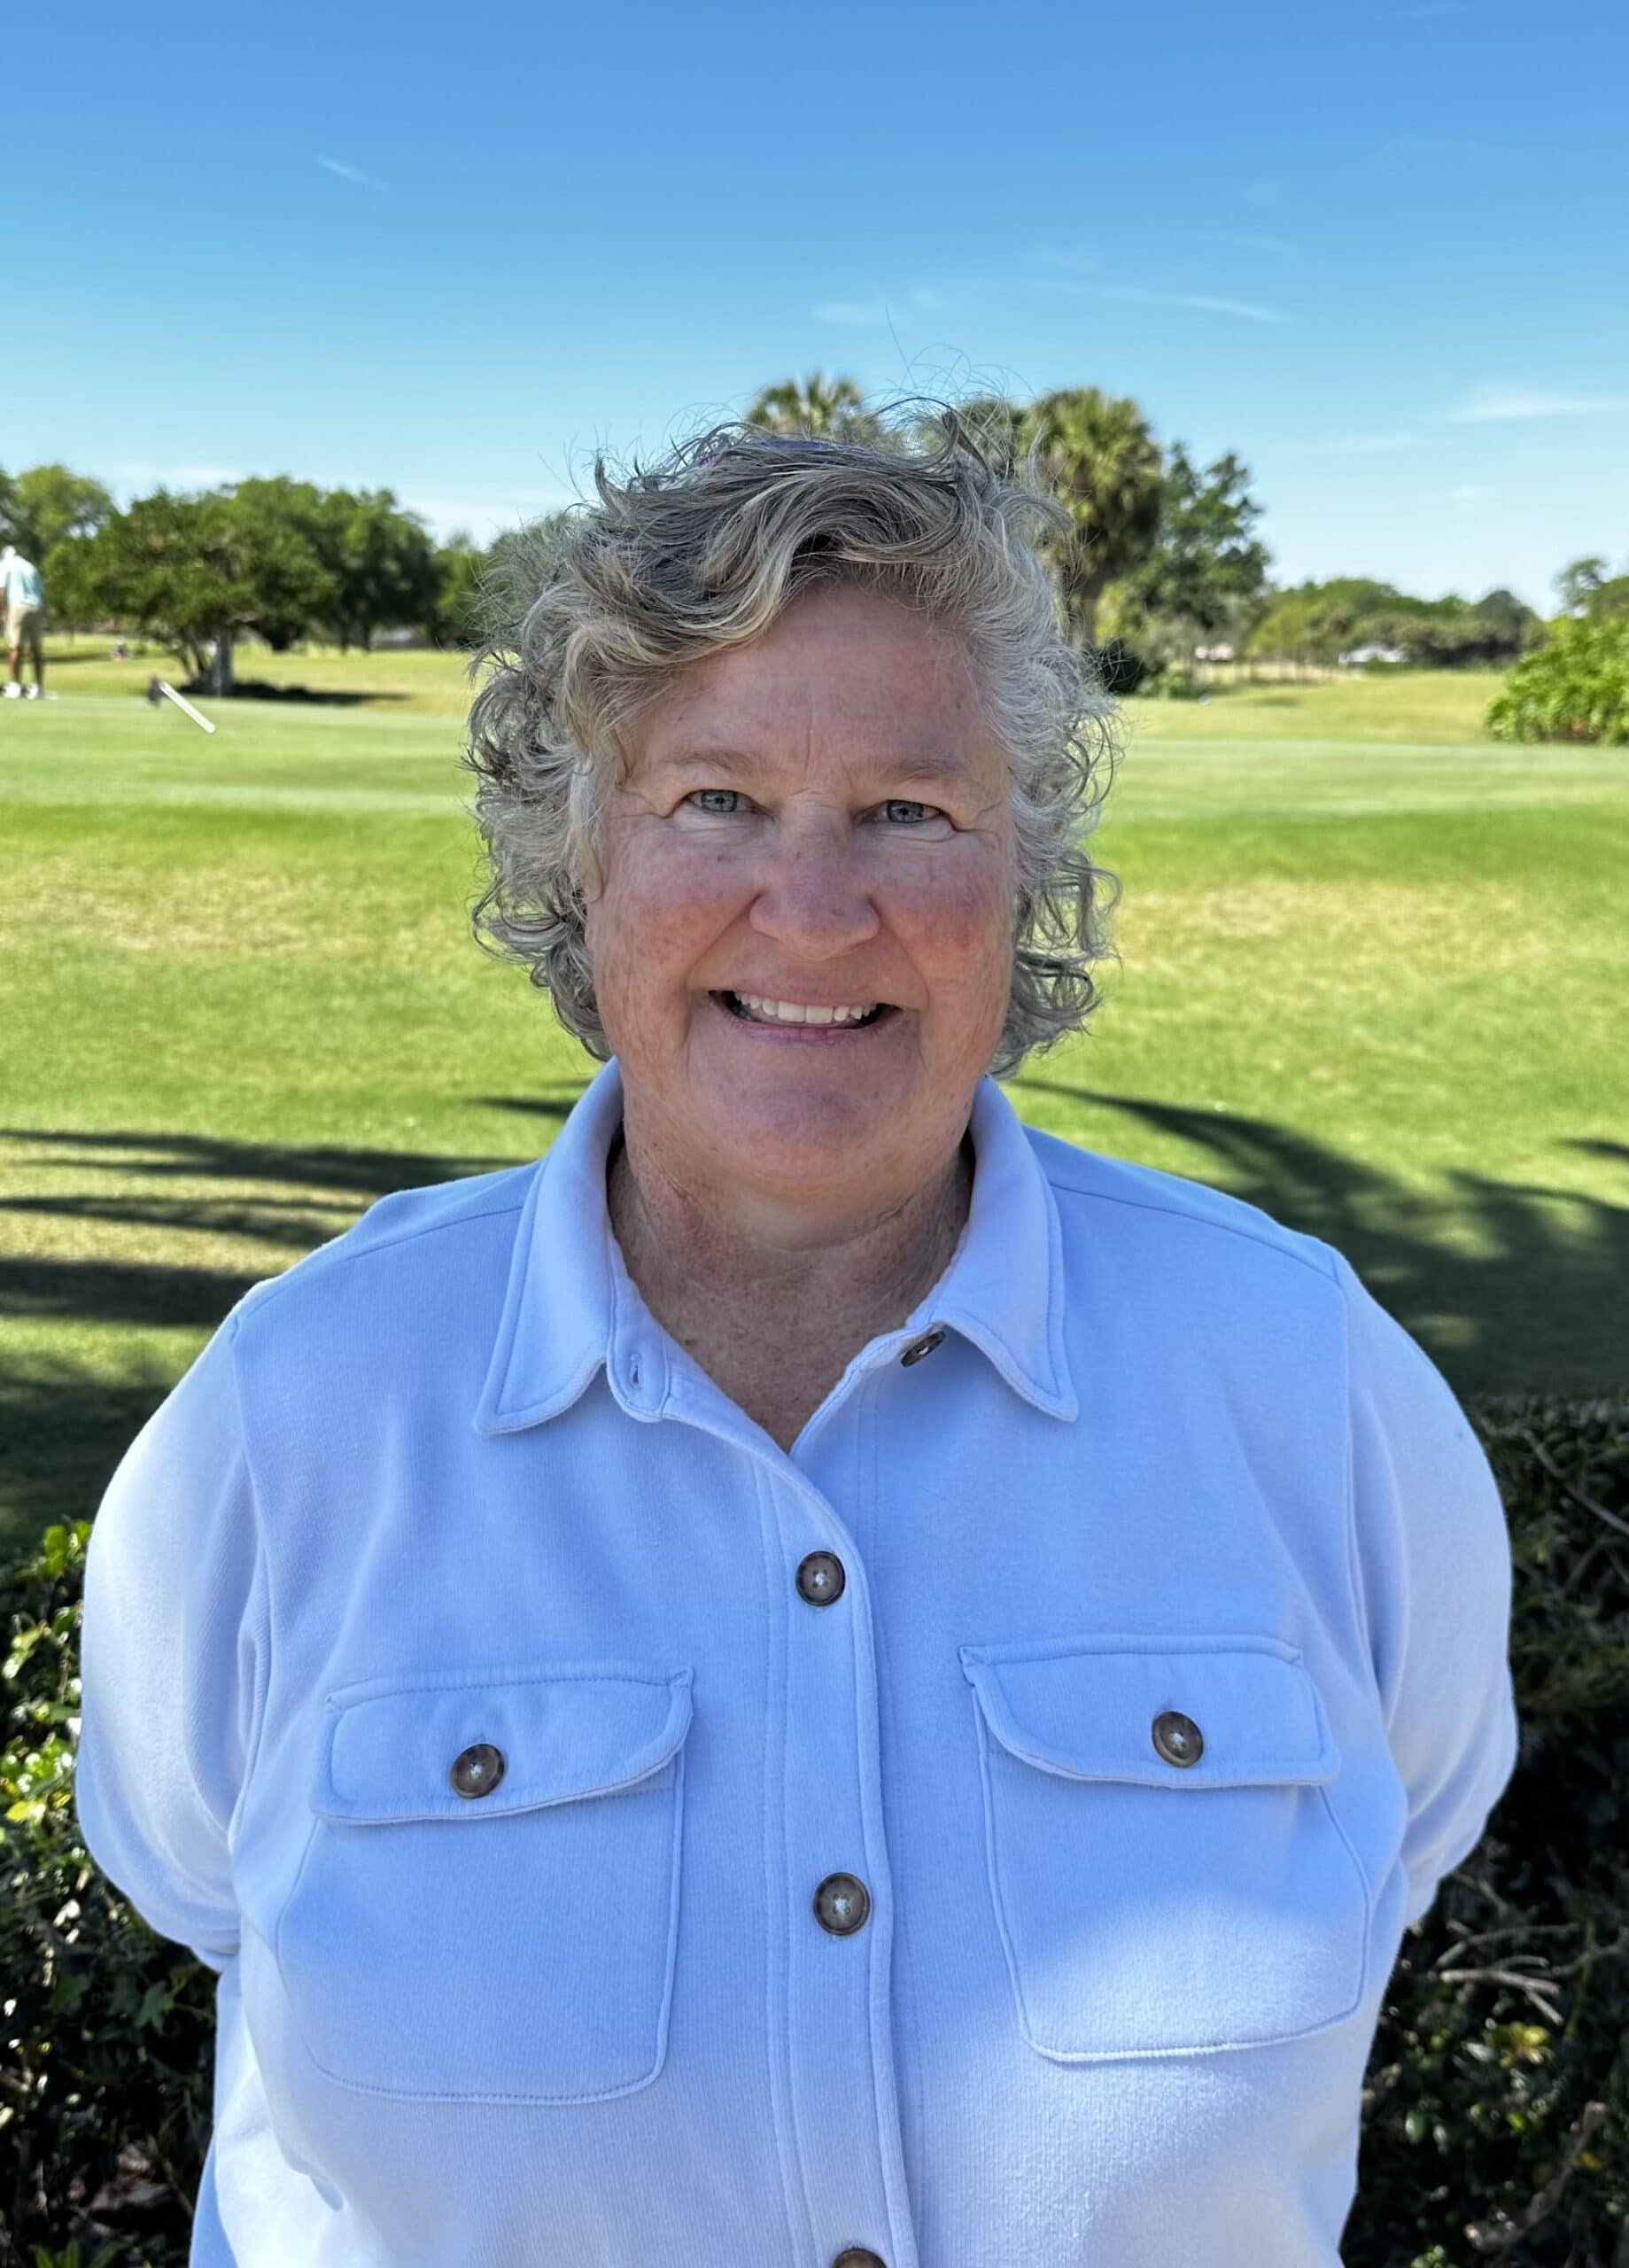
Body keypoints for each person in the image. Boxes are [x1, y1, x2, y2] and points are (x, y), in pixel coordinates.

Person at [73, 412, 1520, 2268]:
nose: (816, 910)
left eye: (910, 810)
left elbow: (1403, 1825)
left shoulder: (1306, 1383)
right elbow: (199, 1876)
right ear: (582, 862)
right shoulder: (290, 1413)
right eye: (716, 802)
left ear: (1024, 876)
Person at [2, 542, 45, 697]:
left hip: (18, 606)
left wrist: (1, 613)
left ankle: (15, 686)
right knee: (36, 649)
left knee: (15, 648)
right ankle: (38, 688)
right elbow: (41, 590)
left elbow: (1, 590)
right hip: (36, 607)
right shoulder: (31, 567)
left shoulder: (6, 565)